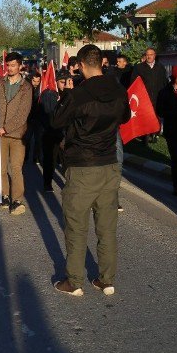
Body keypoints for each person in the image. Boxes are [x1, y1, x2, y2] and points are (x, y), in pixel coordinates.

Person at [51, 44, 130, 297]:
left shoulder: (79, 94)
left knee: (76, 226)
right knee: (107, 227)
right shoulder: (118, 89)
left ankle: (74, 282)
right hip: (109, 164)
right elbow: (126, 117)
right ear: (102, 63)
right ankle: (107, 280)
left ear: (82, 64)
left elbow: (56, 121)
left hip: (83, 165)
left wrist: (66, 95)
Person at [0, 52, 32, 215]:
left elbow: (22, 114)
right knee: (2, 168)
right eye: (7, 65)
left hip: (17, 135)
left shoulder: (26, 87)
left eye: (12, 65)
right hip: (0, 134)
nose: (9, 68)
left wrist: (6, 128)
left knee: (16, 167)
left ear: (19, 66)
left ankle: (17, 199)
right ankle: (4, 195)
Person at [156, 65, 177, 196]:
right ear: (175, 77)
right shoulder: (164, 92)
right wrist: (175, 114)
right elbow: (160, 111)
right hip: (172, 131)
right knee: (176, 160)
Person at [40, 70, 71, 191]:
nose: (65, 85)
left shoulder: (71, 93)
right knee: (50, 160)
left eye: (68, 82)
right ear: (56, 82)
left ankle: (69, 183)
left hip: (65, 133)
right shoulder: (49, 94)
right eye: (62, 82)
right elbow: (50, 115)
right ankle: (47, 183)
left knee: (68, 161)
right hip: (51, 133)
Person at [131, 48, 167, 142]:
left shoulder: (160, 68)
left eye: (151, 54)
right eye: (147, 54)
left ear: (154, 55)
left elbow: (164, 82)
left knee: (156, 116)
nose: (149, 56)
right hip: (144, 97)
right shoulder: (139, 68)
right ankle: (145, 136)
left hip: (157, 96)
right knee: (145, 117)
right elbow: (133, 82)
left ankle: (154, 134)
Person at [22, 71, 43, 172]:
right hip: (29, 118)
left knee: (38, 140)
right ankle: (26, 157)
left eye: (38, 81)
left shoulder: (41, 89)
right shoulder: (27, 89)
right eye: (34, 81)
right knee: (27, 139)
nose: (36, 83)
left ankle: (36, 157)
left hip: (38, 118)